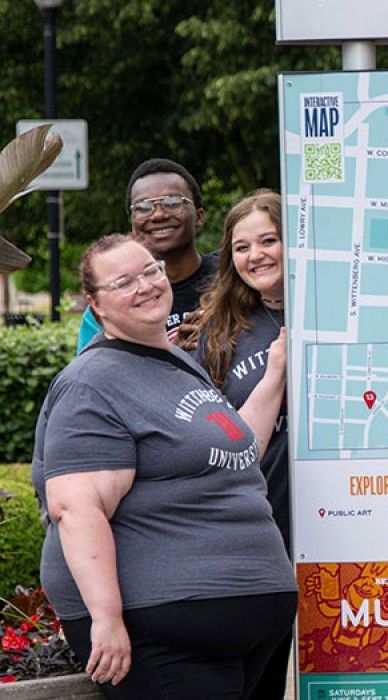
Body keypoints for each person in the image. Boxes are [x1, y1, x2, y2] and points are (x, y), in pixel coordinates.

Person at [32, 234, 296, 698]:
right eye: (124, 282)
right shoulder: (90, 384)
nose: (147, 285)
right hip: (161, 630)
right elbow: (77, 508)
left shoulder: (177, 362)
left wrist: (276, 372)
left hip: (246, 620)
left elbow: (239, 453)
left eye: (151, 271)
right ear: (96, 305)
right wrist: (107, 618)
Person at [175, 190, 291, 700]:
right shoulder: (218, 330)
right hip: (259, 521)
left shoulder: (339, 314)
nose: (256, 256)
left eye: (269, 240)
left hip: (341, 517)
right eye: (242, 247)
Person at [77, 158, 217, 351]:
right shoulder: (110, 305)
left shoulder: (229, 277)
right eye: (143, 207)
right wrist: (171, 353)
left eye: (173, 202)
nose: (158, 215)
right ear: (132, 223)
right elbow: (94, 371)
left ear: (200, 216)